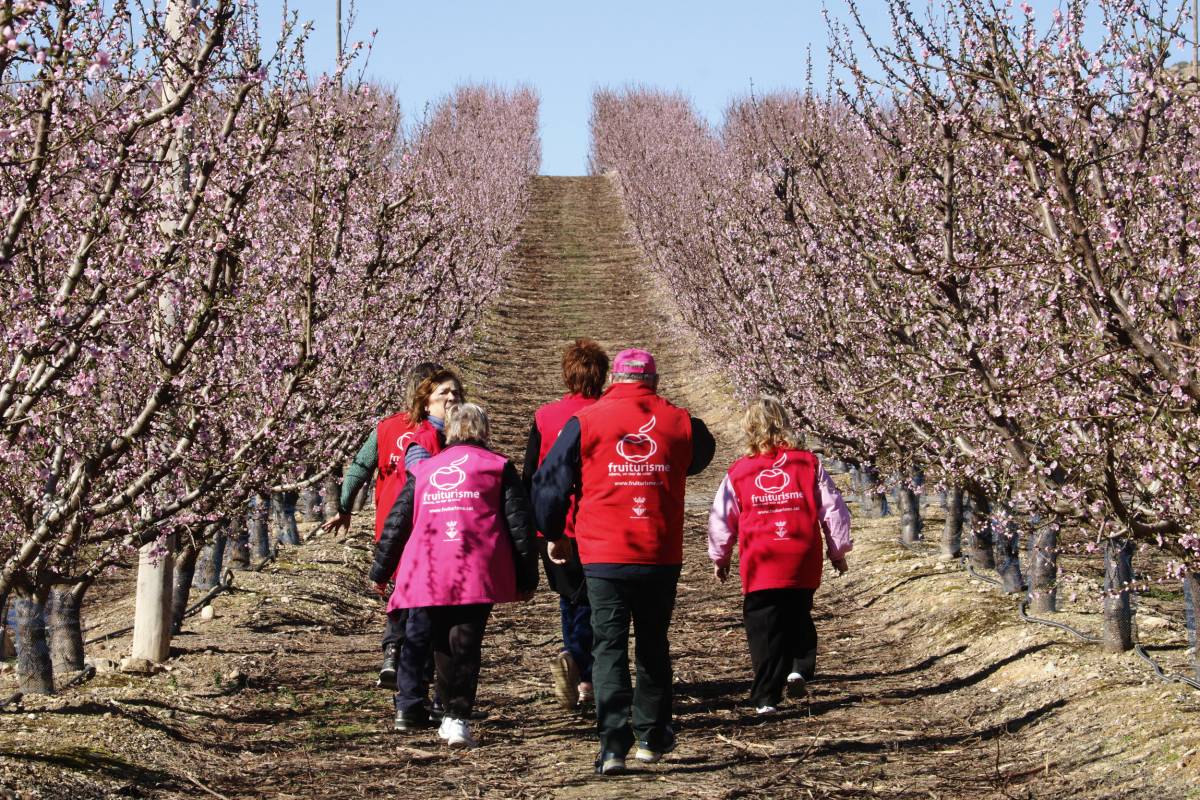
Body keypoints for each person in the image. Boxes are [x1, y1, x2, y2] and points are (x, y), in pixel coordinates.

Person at [533, 348, 715, 776]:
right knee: (653, 643)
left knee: (608, 646)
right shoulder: (681, 421)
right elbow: (700, 457)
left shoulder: (587, 420)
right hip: (658, 552)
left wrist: (555, 533)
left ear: (614, 378)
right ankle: (651, 737)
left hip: (603, 554)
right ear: (653, 380)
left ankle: (613, 744)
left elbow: (549, 481)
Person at [371, 403, 538, 748]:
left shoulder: (426, 469)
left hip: (428, 568)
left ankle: (443, 711)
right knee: (465, 642)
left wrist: (382, 570)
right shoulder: (498, 466)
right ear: (484, 432)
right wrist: (527, 578)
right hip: (476, 569)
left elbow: (397, 522)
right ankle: (455, 715)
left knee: (438, 641)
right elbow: (520, 525)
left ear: (449, 432)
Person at [707, 397, 852, 714]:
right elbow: (834, 510)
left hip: (762, 559)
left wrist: (721, 557)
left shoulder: (740, 472)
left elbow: (722, 518)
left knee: (763, 627)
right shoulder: (808, 464)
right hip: (801, 554)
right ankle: (799, 667)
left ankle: (766, 697)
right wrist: (837, 550)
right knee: (798, 613)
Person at [322, 361, 443, 688]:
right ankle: (419, 667)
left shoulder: (387, 428)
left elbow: (358, 470)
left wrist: (345, 507)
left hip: (390, 527)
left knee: (397, 590)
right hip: (428, 526)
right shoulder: (440, 433)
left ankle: (392, 652)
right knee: (426, 597)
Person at [522, 339, 609, 710]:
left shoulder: (545, 416)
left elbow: (531, 474)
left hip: (553, 525)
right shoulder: (608, 414)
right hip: (597, 522)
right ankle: (584, 669)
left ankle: (577, 664)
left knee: (569, 599)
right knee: (595, 602)